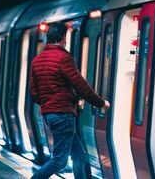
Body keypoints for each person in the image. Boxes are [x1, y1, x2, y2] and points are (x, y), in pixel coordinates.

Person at [29, 22, 110, 179]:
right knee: (59, 161)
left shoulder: (37, 60)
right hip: (63, 115)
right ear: (63, 37)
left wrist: (48, 102)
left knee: (79, 156)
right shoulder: (64, 58)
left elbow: (33, 93)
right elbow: (81, 85)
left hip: (49, 114)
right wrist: (100, 103)